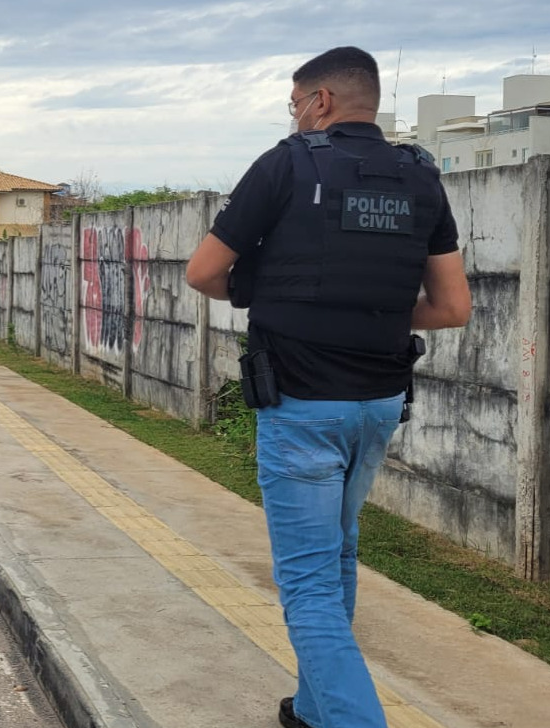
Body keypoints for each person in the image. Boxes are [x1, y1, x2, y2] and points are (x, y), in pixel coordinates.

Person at [186, 47, 471, 728]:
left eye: (293, 105)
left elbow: (203, 272)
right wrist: (362, 312)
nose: (293, 117)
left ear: (319, 101)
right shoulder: (421, 177)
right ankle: (314, 709)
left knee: (306, 586)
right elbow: (452, 307)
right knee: (338, 547)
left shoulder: (286, 163)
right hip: (377, 404)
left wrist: (285, 299)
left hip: (300, 408)